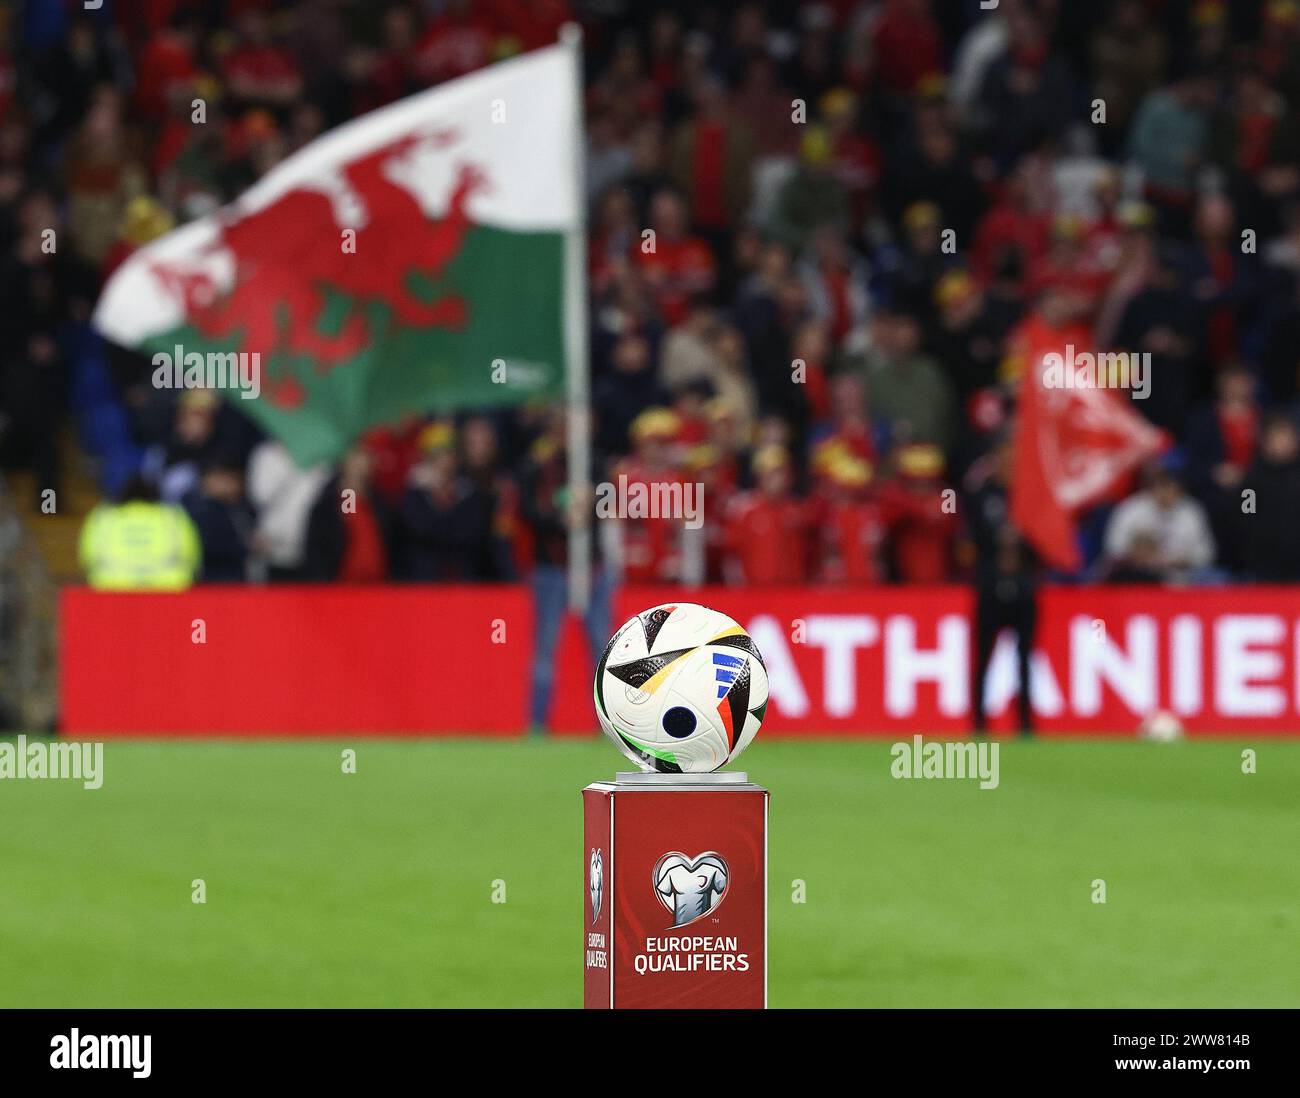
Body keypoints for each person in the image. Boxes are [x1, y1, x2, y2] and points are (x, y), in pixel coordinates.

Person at [966, 435, 1039, 735]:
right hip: (990, 584)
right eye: (1002, 457)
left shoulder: (1030, 498)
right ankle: (979, 723)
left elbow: (1043, 542)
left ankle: (1024, 722)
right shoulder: (981, 496)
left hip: (1022, 587)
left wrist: (1022, 547)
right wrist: (997, 547)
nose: (1008, 463)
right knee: (984, 654)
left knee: (1025, 657)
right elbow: (970, 541)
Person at [78, 474, 201, 590]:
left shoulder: (103, 516)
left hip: (112, 585)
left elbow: (88, 557)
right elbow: (192, 557)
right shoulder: (173, 515)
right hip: (167, 587)